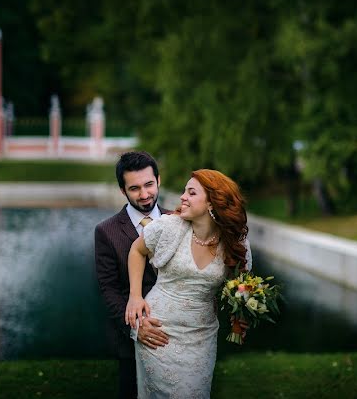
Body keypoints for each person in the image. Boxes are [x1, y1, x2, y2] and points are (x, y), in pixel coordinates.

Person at [125, 169, 252, 398]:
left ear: (212, 203)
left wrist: (240, 315)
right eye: (184, 191)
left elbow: (242, 281)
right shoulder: (168, 227)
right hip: (156, 331)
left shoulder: (234, 241)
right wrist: (135, 296)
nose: (182, 197)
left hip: (201, 337)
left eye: (191, 193)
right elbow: (136, 250)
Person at [95, 151, 172, 399]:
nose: (145, 194)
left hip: (180, 334)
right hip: (133, 341)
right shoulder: (106, 232)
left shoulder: (179, 221)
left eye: (149, 184)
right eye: (135, 188)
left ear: (158, 180)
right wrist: (136, 329)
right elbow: (108, 289)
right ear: (123, 191)